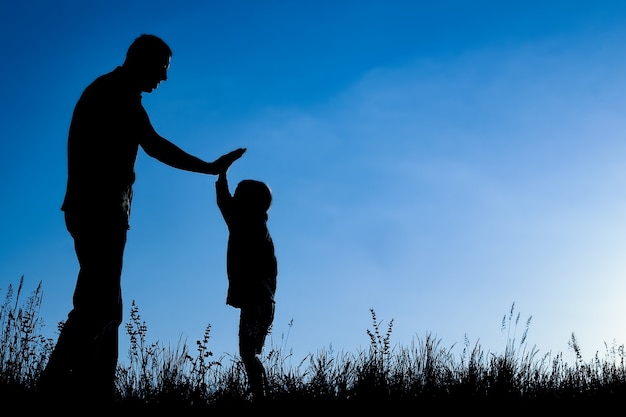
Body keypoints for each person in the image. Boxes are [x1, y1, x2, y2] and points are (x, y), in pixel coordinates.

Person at [36, 34, 246, 406]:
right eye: (161, 69)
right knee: (97, 306)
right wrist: (209, 167)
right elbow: (155, 145)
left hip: (99, 211)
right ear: (142, 61)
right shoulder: (116, 93)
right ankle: (53, 387)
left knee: (109, 309)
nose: (164, 79)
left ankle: (95, 390)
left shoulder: (114, 92)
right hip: (99, 211)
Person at [215, 166, 277, 401]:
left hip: (257, 300)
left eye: (239, 195)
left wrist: (222, 175)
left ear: (248, 202)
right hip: (263, 301)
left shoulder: (247, 225)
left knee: (248, 354)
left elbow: (224, 203)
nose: (234, 200)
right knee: (249, 354)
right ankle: (262, 394)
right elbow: (226, 203)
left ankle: (261, 397)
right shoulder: (257, 227)